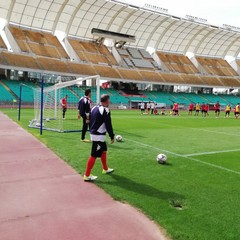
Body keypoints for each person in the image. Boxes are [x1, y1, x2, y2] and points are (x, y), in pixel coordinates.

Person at [83, 94, 115, 182]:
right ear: (107, 101)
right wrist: (112, 136)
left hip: (94, 133)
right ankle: (87, 175)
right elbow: (108, 124)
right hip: (98, 135)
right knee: (94, 155)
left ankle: (105, 169)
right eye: (109, 100)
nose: (109, 102)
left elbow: (89, 118)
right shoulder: (105, 110)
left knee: (104, 150)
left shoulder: (94, 107)